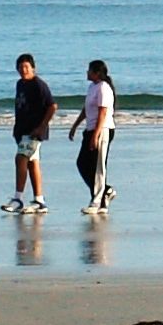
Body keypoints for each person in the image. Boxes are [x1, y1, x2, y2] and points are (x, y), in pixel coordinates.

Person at [7, 54, 56, 212]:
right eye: (20, 67)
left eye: (26, 67)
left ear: (33, 68)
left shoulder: (38, 84)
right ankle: (39, 200)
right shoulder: (20, 84)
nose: (23, 70)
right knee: (32, 163)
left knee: (20, 158)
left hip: (34, 130)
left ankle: (18, 198)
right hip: (22, 130)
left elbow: (52, 106)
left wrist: (42, 127)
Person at [70, 58, 118, 214]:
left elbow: (103, 113)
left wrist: (96, 135)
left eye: (90, 70)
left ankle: (97, 201)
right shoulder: (92, 87)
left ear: (97, 73)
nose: (87, 72)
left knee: (98, 166)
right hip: (90, 128)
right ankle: (106, 191)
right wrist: (75, 126)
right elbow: (86, 110)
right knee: (82, 163)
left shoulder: (104, 88)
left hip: (102, 129)